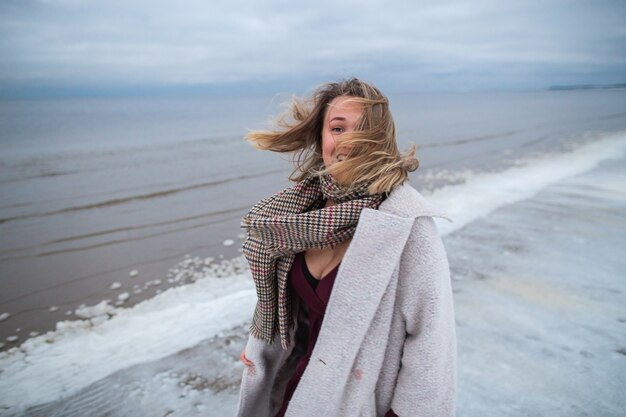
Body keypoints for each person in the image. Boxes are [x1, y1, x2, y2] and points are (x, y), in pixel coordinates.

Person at [236, 78, 456, 417]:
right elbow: (287, 311)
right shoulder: (300, 215)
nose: (349, 142)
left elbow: (431, 344)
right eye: (337, 129)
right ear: (321, 137)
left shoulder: (408, 225)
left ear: (381, 140)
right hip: (292, 393)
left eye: (364, 131)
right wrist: (261, 349)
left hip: (356, 403)